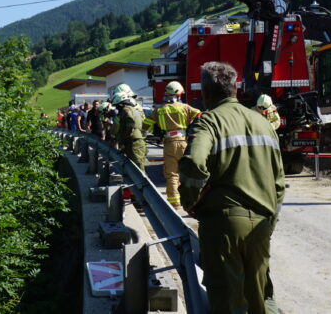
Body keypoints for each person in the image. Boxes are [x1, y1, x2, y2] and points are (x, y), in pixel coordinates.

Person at [178, 62, 284, 314]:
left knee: (227, 300)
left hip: (223, 226)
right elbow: (278, 183)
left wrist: (190, 201)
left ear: (205, 93)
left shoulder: (209, 122)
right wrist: (270, 222)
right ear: (235, 88)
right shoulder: (264, 124)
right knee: (261, 298)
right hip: (261, 225)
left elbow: (194, 162)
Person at [143, 81, 200, 210]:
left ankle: (175, 204)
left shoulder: (160, 110)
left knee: (172, 175)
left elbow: (145, 124)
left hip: (169, 143)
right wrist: (191, 127)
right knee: (187, 172)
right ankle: (191, 201)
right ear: (178, 95)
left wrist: (157, 130)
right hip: (184, 142)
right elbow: (200, 115)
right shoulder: (185, 107)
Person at [111, 85, 147, 169]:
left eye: (117, 105)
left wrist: (125, 135)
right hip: (136, 140)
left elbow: (130, 123)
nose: (116, 107)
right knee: (136, 165)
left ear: (120, 104)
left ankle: (142, 182)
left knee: (138, 168)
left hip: (133, 142)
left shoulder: (126, 110)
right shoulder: (133, 109)